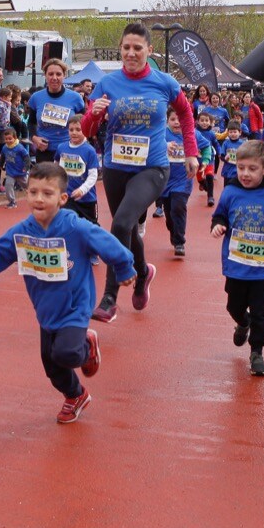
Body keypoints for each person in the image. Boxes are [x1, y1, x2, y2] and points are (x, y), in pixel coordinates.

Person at [0, 162, 136, 424]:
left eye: (47, 193)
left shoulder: (76, 227)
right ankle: (76, 395)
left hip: (76, 305)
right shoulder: (24, 230)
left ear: (62, 198)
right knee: (52, 367)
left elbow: (109, 244)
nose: (38, 199)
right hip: (46, 308)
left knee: (66, 354)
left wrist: (124, 268)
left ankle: (86, 345)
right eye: (33, 192)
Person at [81, 23, 199, 323]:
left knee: (120, 223)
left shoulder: (165, 82)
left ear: (148, 50)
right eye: (126, 48)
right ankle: (143, 271)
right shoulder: (107, 84)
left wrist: (191, 151)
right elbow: (87, 130)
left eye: (137, 48)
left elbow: (185, 113)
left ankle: (109, 297)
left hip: (152, 167)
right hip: (116, 166)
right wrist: (94, 114)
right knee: (130, 228)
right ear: (121, 50)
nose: (131, 53)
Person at [212, 140, 264, 376]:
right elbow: (219, 217)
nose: (245, 174)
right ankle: (242, 321)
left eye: (252, 168)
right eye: (240, 168)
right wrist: (218, 227)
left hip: (262, 267)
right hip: (236, 265)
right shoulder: (230, 191)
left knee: (261, 310)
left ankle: (257, 352)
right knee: (234, 305)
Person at [158, 107, 210, 257]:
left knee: (178, 207)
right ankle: (174, 233)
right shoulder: (161, 134)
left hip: (183, 180)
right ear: (167, 121)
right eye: (173, 119)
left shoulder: (193, 134)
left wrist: (205, 161)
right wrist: (163, 146)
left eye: (180, 119)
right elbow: (150, 146)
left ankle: (179, 242)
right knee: (169, 215)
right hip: (164, 180)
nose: (177, 123)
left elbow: (206, 147)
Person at [27, 58, 87, 165]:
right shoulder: (36, 98)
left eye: (58, 74)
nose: (54, 78)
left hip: (70, 150)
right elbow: (31, 123)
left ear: (64, 75)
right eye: (50, 74)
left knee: (68, 182)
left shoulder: (75, 98)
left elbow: (84, 123)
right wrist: (34, 138)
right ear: (45, 75)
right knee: (46, 181)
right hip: (44, 151)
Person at [55, 115, 100, 225]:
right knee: (67, 224)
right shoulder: (61, 148)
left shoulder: (89, 150)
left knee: (91, 228)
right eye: (71, 130)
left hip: (87, 199)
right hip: (67, 197)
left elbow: (93, 175)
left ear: (84, 129)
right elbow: (55, 168)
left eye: (78, 129)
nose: (74, 133)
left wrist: (82, 190)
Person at [0, 127, 30, 209]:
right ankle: (12, 201)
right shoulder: (4, 148)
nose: (8, 141)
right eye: (6, 139)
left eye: (10, 139)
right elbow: (2, 157)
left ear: (15, 138)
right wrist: (1, 165)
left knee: (28, 185)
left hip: (20, 172)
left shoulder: (19, 147)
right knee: (8, 185)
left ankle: (34, 194)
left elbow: (26, 157)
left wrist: (26, 167)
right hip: (10, 172)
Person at [195, 111, 218, 206]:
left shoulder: (211, 134)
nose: (204, 123)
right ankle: (204, 186)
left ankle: (210, 197)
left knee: (209, 176)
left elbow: (216, 144)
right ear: (197, 122)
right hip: (197, 159)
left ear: (210, 122)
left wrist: (220, 152)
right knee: (200, 178)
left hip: (209, 158)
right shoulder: (194, 132)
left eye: (206, 120)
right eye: (202, 120)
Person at [219, 120, 246, 187]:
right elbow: (222, 156)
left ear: (240, 132)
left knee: (238, 188)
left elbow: (247, 156)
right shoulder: (226, 143)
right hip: (228, 170)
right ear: (228, 133)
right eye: (230, 132)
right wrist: (225, 158)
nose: (233, 134)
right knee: (227, 187)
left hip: (238, 170)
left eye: (235, 132)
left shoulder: (243, 143)